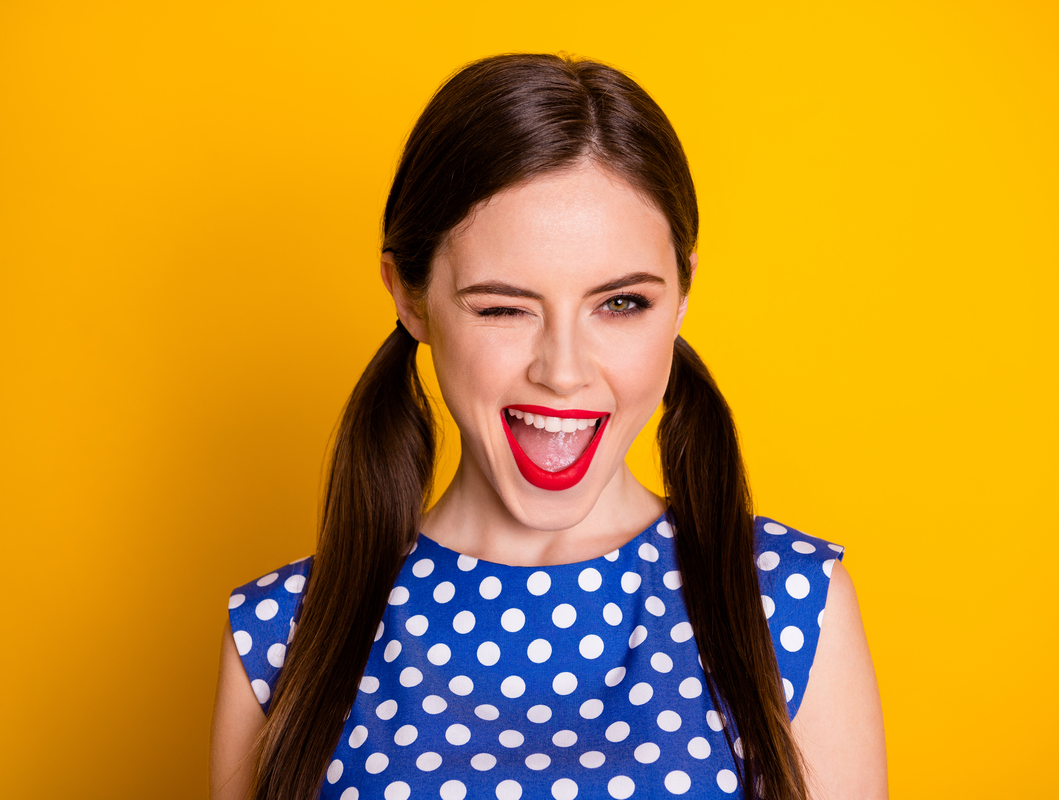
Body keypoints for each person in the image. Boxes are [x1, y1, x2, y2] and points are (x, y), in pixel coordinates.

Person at [210, 54, 886, 800]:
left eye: (621, 303)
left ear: (683, 295)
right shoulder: (282, 640)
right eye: (503, 307)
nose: (562, 371)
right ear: (409, 296)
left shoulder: (788, 604)